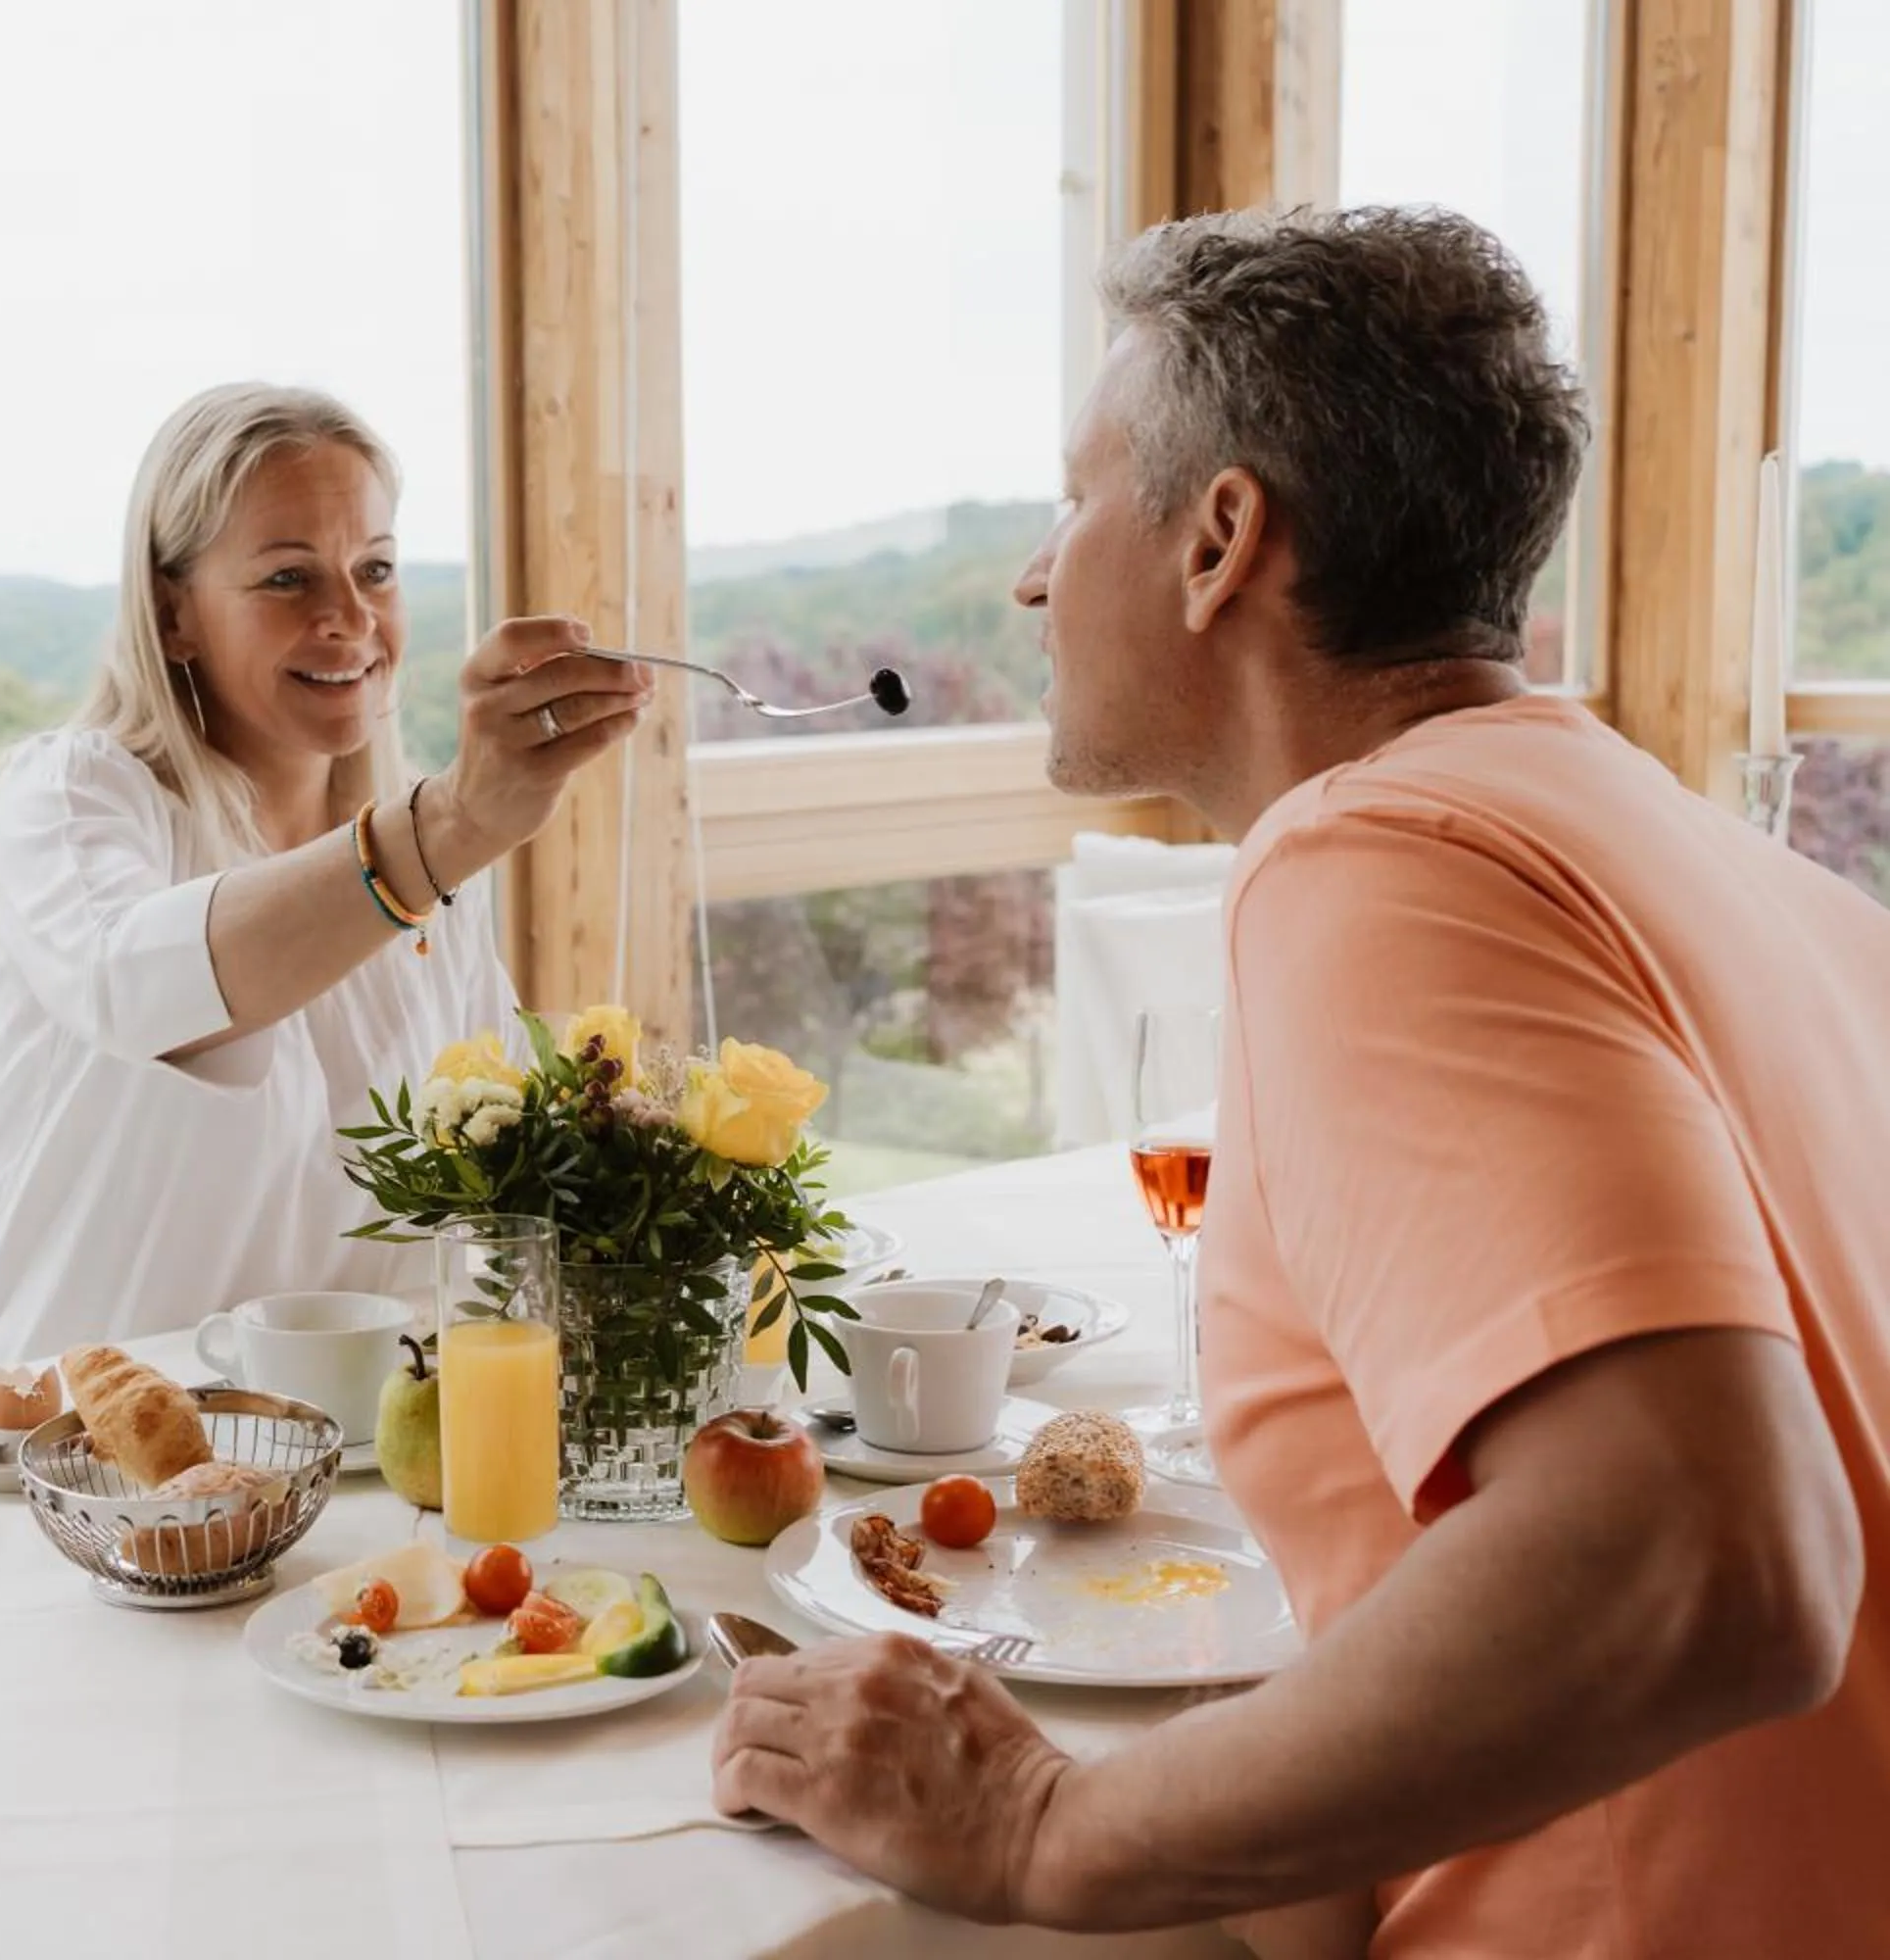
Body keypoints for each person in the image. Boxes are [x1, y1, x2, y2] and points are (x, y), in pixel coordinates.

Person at [711, 206, 1890, 1956]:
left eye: (1072, 499)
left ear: (1220, 541)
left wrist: (1051, 1828)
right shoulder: (1755, 884)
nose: (1033, 577)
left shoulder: (1379, 859)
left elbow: (1709, 1562)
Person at [0, 383, 649, 1388]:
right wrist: (452, 823)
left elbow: (501, 1191)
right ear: (172, 613)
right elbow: (136, 987)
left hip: (324, 1460)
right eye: (288, 578)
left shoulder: (430, 887)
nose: (352, 618)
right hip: (29, 1449)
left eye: (375, 568)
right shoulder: (76, 795)